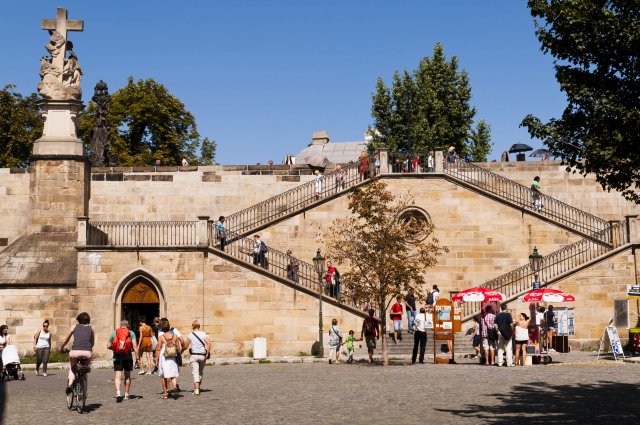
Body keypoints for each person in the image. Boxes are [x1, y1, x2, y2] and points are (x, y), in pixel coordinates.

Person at [60, 312, 94, 395]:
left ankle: (70, 384)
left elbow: (66, 340)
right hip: (87, 353)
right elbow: (92, 342)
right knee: (85, 367)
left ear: (79, 320)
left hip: (75, 352)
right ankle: (84, 387)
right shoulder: (91, 328)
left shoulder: (74, 326)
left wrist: (62, 347)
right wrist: (87, 348)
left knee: (72, 367)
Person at [108, 320, 139, 401]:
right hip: (128, 357)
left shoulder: (114, 332)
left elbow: (108, 346)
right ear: (127, 325)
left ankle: (118, 393)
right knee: (127, 376)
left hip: (117, 357)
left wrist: (115, 348)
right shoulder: (131, 333)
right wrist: (137, 358)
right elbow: (135, 346)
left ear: (120, 325)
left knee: (118, 376)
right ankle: (126, 394)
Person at [154, 318, 182, 399]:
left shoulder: (161, 337)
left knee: (163, 375)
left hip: (164, 357)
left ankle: (166, 393)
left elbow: (158, 349)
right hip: (173, 357)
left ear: (162, 328)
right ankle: (175, 387)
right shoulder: (175, 336)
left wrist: (156, 358)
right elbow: (178, 348)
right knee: (173, 374)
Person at [182, 320, 211, 395]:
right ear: (199, 326)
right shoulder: (203, 334)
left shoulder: (190, 335)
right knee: (200, 372)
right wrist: (207, 353)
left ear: (193, 326)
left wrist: (181, 349)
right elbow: (209, 343)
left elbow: (185, 346)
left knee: (195, 372)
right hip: (202, 355)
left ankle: (197, 389)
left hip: (194, 355)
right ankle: (198, 388)